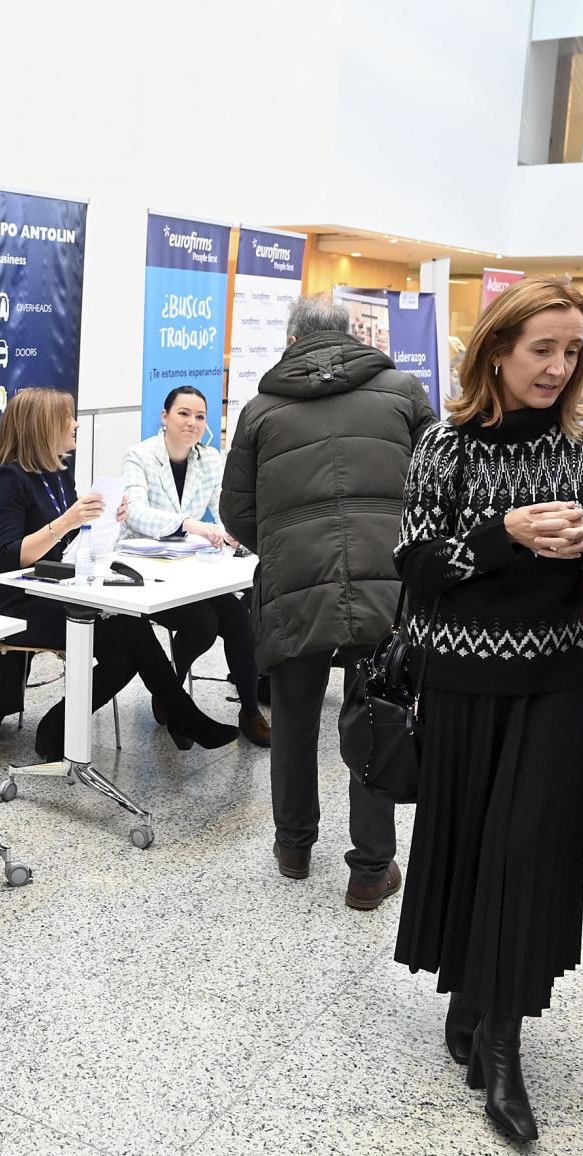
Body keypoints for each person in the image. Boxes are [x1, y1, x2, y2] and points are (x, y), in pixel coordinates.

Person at [391, 278, 583, 1144]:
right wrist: (507, 535)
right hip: (458, 680)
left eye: (573, 353)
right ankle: (468, 991)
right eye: (543, 351)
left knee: (524, 853)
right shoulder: (445, 446)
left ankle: (501, 1038)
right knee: (465, 842)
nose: (559, 368)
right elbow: (414, 566)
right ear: (497, 350)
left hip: (555, 680)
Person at [221, 295, 432, 905]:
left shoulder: (260, 410)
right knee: (376, 716)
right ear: (350, 333)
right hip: (385, 581)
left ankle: (293, 848)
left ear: (291, 338)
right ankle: (369, 872)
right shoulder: (402, 392)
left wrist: (286, 547)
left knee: (292, 717)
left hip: (292, 585)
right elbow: (435, 483)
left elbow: (237, 512)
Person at [0, 387, 238, 759]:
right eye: (67, 418)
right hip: (27, 604)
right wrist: (69, 520)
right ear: (42, 426)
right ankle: (184, 715)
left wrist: (104, 522)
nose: (75, 424)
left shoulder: (56, 471)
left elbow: (69, 543)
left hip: (63, 589)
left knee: (124, 653)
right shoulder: (11, 480)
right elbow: (11, 557)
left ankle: (56, 728)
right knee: (128, 629)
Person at [121, 385, 268, 747]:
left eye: (200, 416)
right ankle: (173, 699)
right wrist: (190, 523)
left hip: (187, 569)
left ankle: (250, 711)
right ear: (165, 416)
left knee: (238, 619)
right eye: (184, 414)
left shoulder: (210, 458)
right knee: (203, 624)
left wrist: (233, 533)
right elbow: (136, 512)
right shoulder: (140, 455)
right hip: (145, 572)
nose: (192, 423)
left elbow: (224, 509)